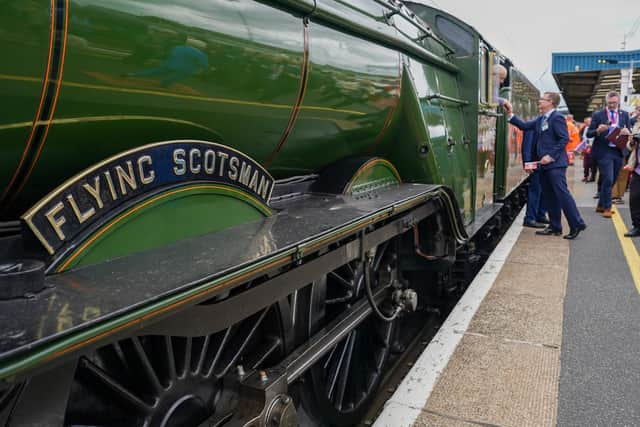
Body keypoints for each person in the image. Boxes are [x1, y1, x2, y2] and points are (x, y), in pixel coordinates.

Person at [503, 92, 586, 239]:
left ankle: (577, 224)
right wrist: (510, 114)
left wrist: (551, 155)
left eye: (542, 99)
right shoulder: (542, 119)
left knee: (562, 194)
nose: (539, 102)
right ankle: (555, 227)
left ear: (551, 102)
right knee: (550, 196)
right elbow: (524, 126)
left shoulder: (557, 118)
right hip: (544, 165)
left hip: (556, 164)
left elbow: (564, 139)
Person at [586, 91, 632, 218]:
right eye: (610, 103)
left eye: (614, 103)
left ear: (618, 102)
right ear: (606, 102)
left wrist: (628, 132)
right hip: (603, 151)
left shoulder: (625, 115)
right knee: (608, 178)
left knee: (612, 180)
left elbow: (630, 133)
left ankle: (601, 204)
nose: (612, 105)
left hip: (618, 151)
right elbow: (588, 134)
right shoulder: (598, 115)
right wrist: (597, 130)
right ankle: (607, 207)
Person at [521, 129, 548, 228]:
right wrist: (527, 163)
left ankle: (540, 214)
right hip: (535, 163)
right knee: (535, 190)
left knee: (545, 190)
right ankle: (530, 218)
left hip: (545, 163)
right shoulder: (533, 125)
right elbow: (527, 145)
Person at [624, 123, 640, 237]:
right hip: (637, 169)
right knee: (634, 198)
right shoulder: (637, 126)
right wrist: (632, 141)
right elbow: (630, 147)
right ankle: (637, 226)